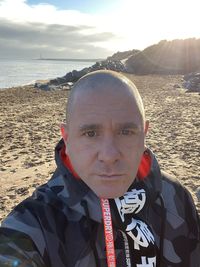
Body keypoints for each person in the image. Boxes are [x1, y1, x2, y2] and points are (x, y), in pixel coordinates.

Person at [0, 70, 199, 267]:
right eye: (91, 133)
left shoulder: (177, 199)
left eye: (126, 131)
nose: (109, 155)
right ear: (67, 139)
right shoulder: (35, 222)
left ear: (144, 135)